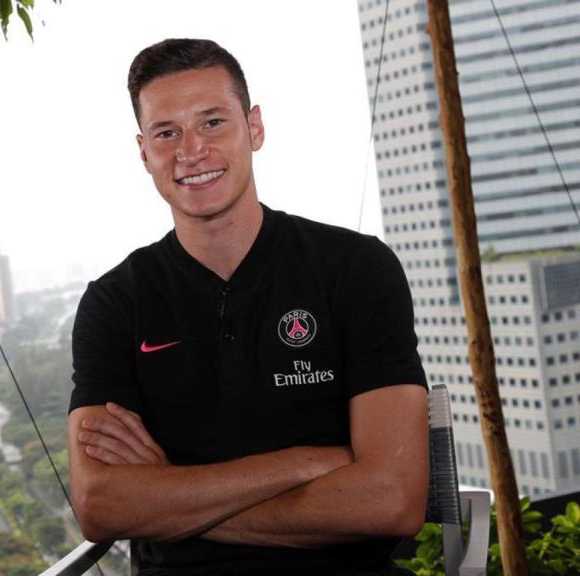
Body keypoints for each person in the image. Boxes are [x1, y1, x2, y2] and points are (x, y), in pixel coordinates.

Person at [67, 38, 429, 575]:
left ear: (254, 127)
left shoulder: (354, 268)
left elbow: (392, 500)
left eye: (213, 122)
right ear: (144, 153)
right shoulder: (115, 302)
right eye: (167, 133)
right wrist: (303, 464)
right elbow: (99, 506)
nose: (192, 151)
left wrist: (169, 497)